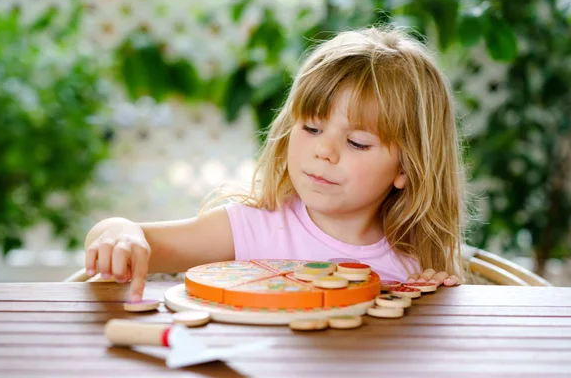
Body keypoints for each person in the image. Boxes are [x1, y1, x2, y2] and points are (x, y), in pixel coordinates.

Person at [84, 26, 467, 302]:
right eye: (312, 128)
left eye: (356, 142)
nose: (324, 152)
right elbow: (137, 238)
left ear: (407, 168)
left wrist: (437, 298)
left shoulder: (414, 261)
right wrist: (118, 233)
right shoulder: (252, 228)